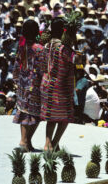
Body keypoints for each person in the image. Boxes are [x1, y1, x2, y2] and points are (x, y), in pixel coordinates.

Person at [40, 17, 75, 151]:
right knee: (65, 117)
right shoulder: (64, 49)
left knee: (51, 117)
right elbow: (75, 63)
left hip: (46, 83)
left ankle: (47, 143)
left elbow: (43, 65)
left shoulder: (46, 45)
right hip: (59, 86)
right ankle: (54, 143)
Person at [13, 20, 43, 152]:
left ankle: (26, 141)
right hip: (35, 85)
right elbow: (43, 68)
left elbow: (16, 65)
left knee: (24, 111)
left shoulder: (22, 48)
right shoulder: (40, 49)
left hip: (23, 83)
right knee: (35, 114)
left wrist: (17, 79)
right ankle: (25, 140)